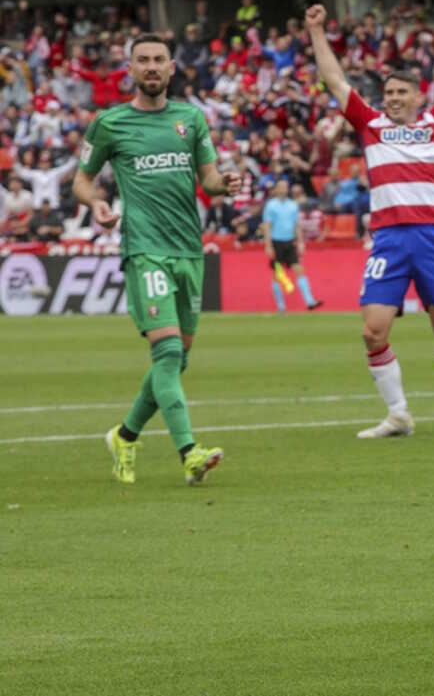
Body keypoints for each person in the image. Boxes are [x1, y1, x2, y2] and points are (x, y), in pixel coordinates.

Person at [306, 0, 434, 438]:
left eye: (402, 92)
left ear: (417, 96)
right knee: (373, 331)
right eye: (390, 93)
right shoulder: (369, 124)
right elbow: (334, 79)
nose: (395, 98)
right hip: (389, 241)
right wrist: (318, 32)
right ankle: (398, 414)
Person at [72, 33, 241, 485]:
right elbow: (81, 181)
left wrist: (225, 183)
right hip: (144, 249)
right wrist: (97, 204)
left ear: (170, 68)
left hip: (189, 250)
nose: (150, 66)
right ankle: (189, 451)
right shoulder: (110, 123)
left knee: (175, 362)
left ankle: (125, 436)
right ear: (130, 69)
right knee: (166, 351)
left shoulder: (191, 118)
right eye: (142, 60)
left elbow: (208, 177)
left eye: (158, 60)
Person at [263, 179, 323, 313]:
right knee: (278, 275)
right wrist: (268, 245)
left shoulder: (293, 205)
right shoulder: (271, 206)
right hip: (276, 242)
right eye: (281, 187)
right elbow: (267, 226)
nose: (283, 189)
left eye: (285, 187)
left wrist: (300, 242)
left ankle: (309, 301)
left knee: (299, 270)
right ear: (276, 189)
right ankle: (281, 306)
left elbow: (297, 225)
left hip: (289, 242)